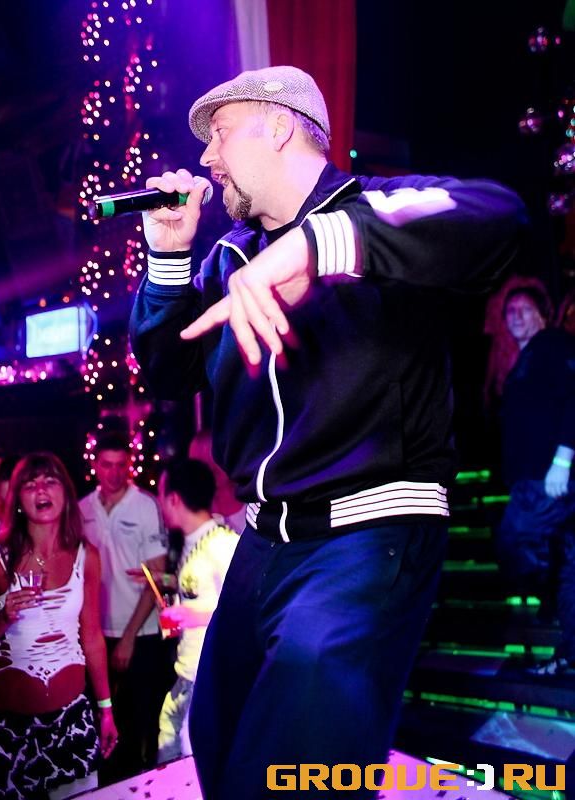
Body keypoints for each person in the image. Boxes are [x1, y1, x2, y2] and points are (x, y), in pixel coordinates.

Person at [129, 65, 527, 799]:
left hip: (366, 533)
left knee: (296, 769)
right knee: (220, 742)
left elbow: (499, 215)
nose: (208, 159)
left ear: (280, 127)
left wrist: (321, 244)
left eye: (221, 134)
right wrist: (168, 257)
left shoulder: (376, 206)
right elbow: (167, 373)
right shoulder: (228, 258)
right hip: (264, 541)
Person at [0, 452, 117, 799]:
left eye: (50, 481)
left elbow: (92, 637)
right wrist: (3, 617)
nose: (41, 489)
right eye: (30, 484)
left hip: (71, 720)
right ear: (18, 499)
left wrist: (106, 709)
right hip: (10, 727)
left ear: (66, 494)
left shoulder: (87, 556)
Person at [131, 458, 238, 764]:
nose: (160, 503)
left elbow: (246, 612)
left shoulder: (223, 544)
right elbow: (200, 587)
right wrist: (166, 581)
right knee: (168, 745)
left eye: (161, 494)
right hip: (186, 673)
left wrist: (195, 616)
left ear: (174, 498)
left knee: (193, 763)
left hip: (209, 677)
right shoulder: (195, 542)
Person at [79, 431, 170, 783]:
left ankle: (141, 787)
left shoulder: (146, 505)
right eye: (107, 465)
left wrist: (129, 637)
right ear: (95, 464)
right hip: (95, 633)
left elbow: (155, 576)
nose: (114, 473)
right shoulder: (82, 508)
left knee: (138, 725)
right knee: (102, 727)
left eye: (121, 465)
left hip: (140, 634)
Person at [496, 285, 575, 676]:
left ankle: (547, 586)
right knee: (568, 567)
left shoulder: (553, 343)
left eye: (524, 308)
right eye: (510, 310)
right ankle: (571, 654)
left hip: (550, 478)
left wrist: (563, 458)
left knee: (514, 540)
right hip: (533, 479)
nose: (516, 315)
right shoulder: (522, 361)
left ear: (542, 314)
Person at [188, 429, 246, 532]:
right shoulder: (193, 515)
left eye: (213, 458)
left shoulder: (253, 504)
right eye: (202, 462)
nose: (210, 468)